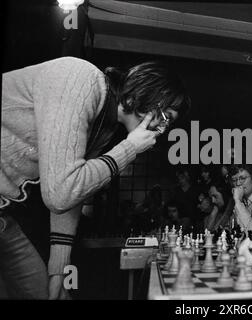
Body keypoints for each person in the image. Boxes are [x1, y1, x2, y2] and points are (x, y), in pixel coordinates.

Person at [0, 56, 190, 299]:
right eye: (166, 118)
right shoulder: (80, 79)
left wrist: (59, 269)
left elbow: (73, 196)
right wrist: (129, 148)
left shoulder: (105, 126)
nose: (162, 130)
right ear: (137, 97)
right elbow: (59, 194)